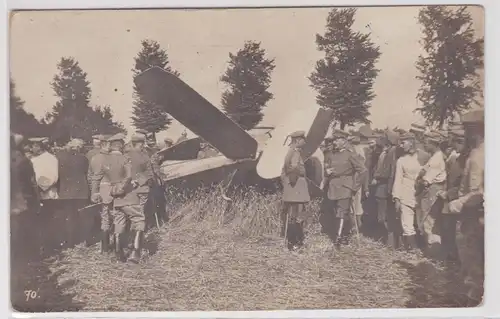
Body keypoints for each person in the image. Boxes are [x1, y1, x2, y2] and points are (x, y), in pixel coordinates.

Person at [91, 133, 148, 263]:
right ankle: (135, 252)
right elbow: (129, 176)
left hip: (114, 197)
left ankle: (118, 254)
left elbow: (96, 178)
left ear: (111, 146)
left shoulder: (104, 160)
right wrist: (126, 185)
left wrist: (94, 193)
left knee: (119, 222)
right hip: (128, 194)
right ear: (121, 145)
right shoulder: (125, 159)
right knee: (139, 220)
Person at [448, 109, 484, 305]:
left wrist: (459, 202)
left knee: (472, 258)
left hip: (473, 213)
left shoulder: (479, 155)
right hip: (476, 211)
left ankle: (474, 301)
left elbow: (479, 191)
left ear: (474, 132)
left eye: (466, 131)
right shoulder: (480, 152)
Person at [323, 129, 366, 248]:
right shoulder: (331, 154)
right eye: (334, 139)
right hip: (332, 187)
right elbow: (326, 168)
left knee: (341, 212)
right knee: (336, 213)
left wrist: (355, 186)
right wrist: (326, 172)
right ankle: (344, 234)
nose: (335, 142)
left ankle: (339, 238)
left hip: (345, 187)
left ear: (343, 141)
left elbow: (362, 170)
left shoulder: (350, 154)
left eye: (337, 140)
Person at [439, 123, 467, 264]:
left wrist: (449, 193)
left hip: (461, 202)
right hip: (451, 199)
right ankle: (452, 257)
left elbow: (466, 184)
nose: (453, 146)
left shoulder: (467, 160)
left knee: (459, 234)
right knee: (448, 229)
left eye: (455, 142)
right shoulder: (458, 157)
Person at [416, 130, 447, 256]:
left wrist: (419, 180)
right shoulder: (434, 157)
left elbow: (425, 180)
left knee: (430, 221)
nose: (424, 145)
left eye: (426, 143)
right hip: (431, 189)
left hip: (432, 190)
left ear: (433, 143)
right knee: (428, 221)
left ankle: (433, 252)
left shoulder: (436, 159)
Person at [55, 138, 90, 247]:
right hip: (81, 192)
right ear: (79, 147)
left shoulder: (60, 158)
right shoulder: (83, 159)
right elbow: (86, 172)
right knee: (82, 216)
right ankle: (84, 240)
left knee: (68, 217)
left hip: (65, 191)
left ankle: (69, 242)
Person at [280, 130, 310, 251]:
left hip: (292, 188)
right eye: (303, 139)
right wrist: (293, 182)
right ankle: (294, 243)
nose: (304, 141)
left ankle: (292, 242)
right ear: (298, 140)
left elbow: (284, 172)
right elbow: (293, 168)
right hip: (296, 188)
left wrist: (287, 184)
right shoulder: (295, 152)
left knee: (293, 216)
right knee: (296, 216)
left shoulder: (290, 151)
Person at [392, 133, 422, 251]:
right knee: (407, 221)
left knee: (422, 221)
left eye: (403, 142)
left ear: (411, 142)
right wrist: (397, 197)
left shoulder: (423, 156)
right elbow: (398, 179)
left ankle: (425, 247)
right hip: (406, 192)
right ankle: (412, 248)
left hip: (421, 192)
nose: (401, 145)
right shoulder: (401, 160)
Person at [372, 130, 401, 249]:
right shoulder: (388, 152)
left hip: (385, 187)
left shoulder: (391, 153)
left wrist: (377, 177)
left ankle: (391, 242)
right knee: (388, 215)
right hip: (386, 186)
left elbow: (388, 171)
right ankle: (392, 241)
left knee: (385, 216)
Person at [88, 134, 113, 254]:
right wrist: (94, 192)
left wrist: (94, 192)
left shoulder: (96, 157)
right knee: (108, 218)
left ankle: (106, 247)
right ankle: (107, 247)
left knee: (106, 218)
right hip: (108, 193)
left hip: (106, 192)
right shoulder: (101, 158)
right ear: (106, 144)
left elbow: (90, 176)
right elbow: (95, 177)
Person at [127, 134, 155, 229]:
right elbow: (150, 172)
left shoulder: (126, 155)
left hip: (128, 187)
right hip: (142, 186)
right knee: (141, 210)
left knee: (130, 209)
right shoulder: (144, 156)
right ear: (140, 144)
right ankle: (139, 231)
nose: (143, 146)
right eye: (142, 144)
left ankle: (131, 229)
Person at [347, 135, 369, 230]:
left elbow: (363, 169)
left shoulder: (356, 151)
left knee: (355, 203)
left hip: (356, 179)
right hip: (356, 178)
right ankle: (355, 225)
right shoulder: (357, 150)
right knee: (355, 204)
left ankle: (356, 226)